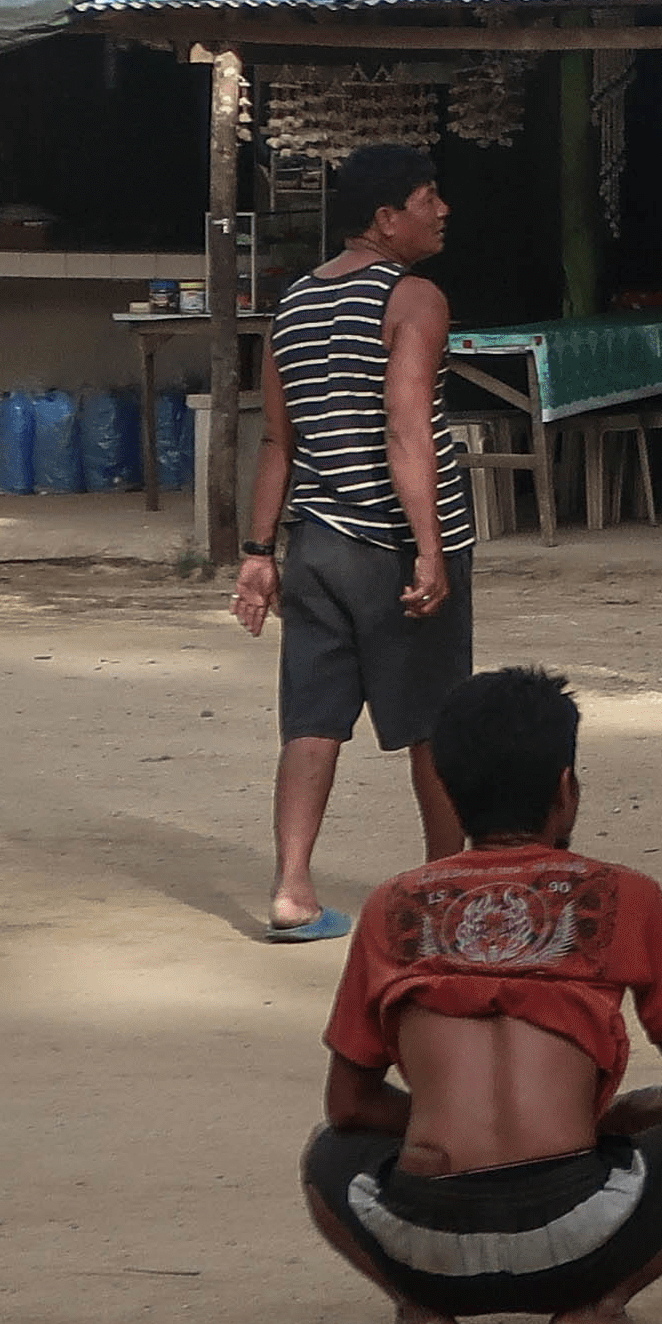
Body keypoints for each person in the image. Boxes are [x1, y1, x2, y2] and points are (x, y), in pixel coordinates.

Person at [300, 665, 662, 1324]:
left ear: (449, 795)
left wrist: (440, 1129)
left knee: (324, 1155)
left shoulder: (390, 905)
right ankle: (600, 1311)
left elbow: (349, 1108)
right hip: (580, 1230)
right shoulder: (626, 895)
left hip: (423, 1235)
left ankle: (417, 1313)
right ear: (566, 789)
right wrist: (616, 1119)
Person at [232, 142, 471, 944]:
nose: (442, 211)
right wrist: (430, 550)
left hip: (315, 548)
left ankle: (292, 892)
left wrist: (258, 552)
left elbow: (276, 443)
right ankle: (444, 896)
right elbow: (408, 428)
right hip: (390, 548)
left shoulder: (292, 303)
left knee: (312, 720)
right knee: (434, 723)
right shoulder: (413, 298)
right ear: (385, 218)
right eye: (428, 197)